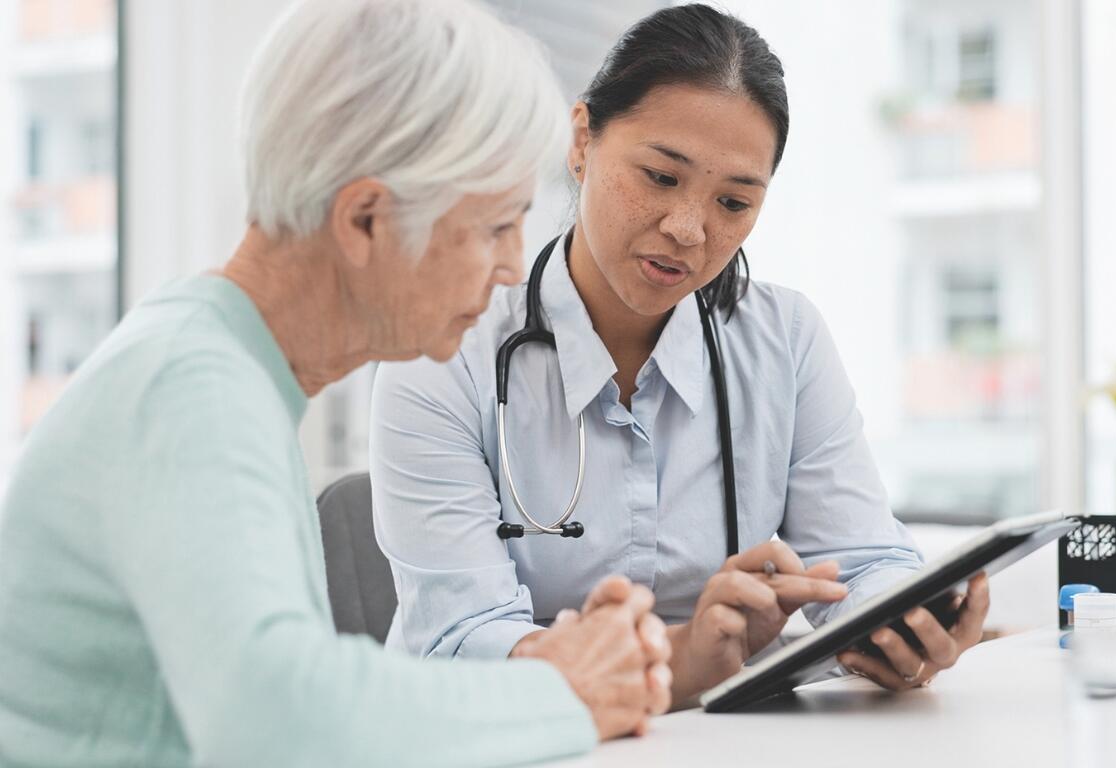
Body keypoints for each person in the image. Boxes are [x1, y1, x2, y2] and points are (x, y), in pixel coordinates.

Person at [0, 1, 672, 766]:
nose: (514, 266)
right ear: (364, 221)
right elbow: (280, 715)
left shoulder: (212, 364)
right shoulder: (194, 392)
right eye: (494, 226)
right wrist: (566, 693)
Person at [370, 3, 991, 708]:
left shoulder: (783, 339)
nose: (689, 230)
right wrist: (684, 657)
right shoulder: (446, 351)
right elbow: (461, 642)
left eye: (733, 202)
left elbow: (863, 561)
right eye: (660, 178)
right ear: (581, 141)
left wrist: (900, 621)